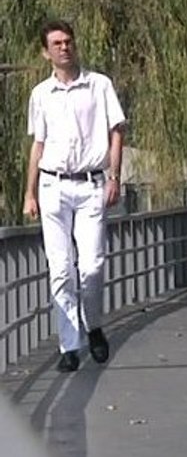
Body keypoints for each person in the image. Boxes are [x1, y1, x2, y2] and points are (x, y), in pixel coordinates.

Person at [22, 20, 126, 373]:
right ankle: (70, 345)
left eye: (68, 41)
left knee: (92, 265)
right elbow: (38, 145)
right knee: (62, 270)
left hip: (91, 184)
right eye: (56, 43)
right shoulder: (40, 94)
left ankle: (93, 324)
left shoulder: (98, 85)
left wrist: (114, 176)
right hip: (53, 186)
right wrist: (30, 193)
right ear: (45, 51)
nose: (64, 48)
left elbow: (116, 132)